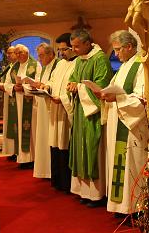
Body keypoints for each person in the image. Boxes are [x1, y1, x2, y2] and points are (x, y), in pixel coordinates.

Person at [103, 30, 148, 216]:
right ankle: (120, 205)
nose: (115, 54)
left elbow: (142, 98)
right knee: (119, 163)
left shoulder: (140, 66)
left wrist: (118, 99)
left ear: (129, 47)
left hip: (132, 126)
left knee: (132, 164)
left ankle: (135, 207)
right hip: (118, 122)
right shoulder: (123, 67)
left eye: (118, 49)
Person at [67, 29, 112, 206]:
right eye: (73, 46)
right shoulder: (79, 60)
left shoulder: (100, 59)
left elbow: (101, 87)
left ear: (87, 43)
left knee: (92, 149)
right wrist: (71, 86)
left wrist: (78, 87)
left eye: (77, 46)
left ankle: (95, 194)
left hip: (92, 114)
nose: (74, 50)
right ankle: (82, 191)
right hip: (80, 112)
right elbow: (73, 80)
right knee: (80, 148)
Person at [47, 33, 77, 192]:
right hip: (55, 109)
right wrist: (46, 87)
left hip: (66, 111)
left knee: (64, 142)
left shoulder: (78, 63)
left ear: (72, 47)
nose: (61, 53)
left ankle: (66, 183)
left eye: (64, 49)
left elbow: (75, 87)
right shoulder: (59, 64)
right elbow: (52, 81)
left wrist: (63, 99)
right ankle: (57, 180)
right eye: (59, 50)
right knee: (55, 143)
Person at [3, 44, 37, 168]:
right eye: (16, 53)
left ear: (27, 53)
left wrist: (24, 87)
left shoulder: (35, 65)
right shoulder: (13, 68)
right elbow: (6, 84)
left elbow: (38, 83)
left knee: (31, 131)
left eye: (19, 53)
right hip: (16, 102)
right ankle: (22, 158)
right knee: (20, 131)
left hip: (30, 103)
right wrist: (13, 87)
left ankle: (32, 159)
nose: (17, 56)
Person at [29, 43, 58, 179]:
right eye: (38, 56)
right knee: (42, 137)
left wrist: (45, 87)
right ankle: (44, 169)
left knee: (49, 138)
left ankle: (50, 170)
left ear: (50, 54)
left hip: (51, 108)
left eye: (41, 55)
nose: (39, 59)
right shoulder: (46, 67)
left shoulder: (57, 65)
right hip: (42, 107)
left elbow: (55, 85)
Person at [0, 46, 17, 157]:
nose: (9, 56)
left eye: (11, 53)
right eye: (7, 54)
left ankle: (16, 151)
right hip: (8, 98)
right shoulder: (8, 67)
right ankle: (11, 150)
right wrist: (2, 86)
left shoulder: (18, 67)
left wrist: (5, 86)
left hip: (16, 98)